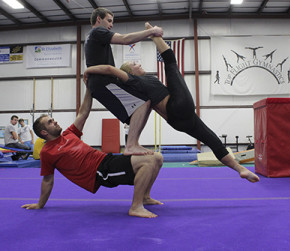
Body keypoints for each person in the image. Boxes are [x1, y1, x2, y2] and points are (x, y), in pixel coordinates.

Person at [83, 22, 260, 183]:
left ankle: (240, 169)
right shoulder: (132, 80)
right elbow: (109, 69)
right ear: (130, 71)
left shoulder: (146, 81)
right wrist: (88, 70)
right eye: (135, 63)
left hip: (178, 120)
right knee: (171, 63)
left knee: (211, 138)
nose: (138, 64)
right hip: (178, 106)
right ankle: (153, 36)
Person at [21, 87, 164, 218]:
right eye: (50, 122)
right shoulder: (47, 152)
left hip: (106, 160)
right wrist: (40, 204)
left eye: (53, 119)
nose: (55, 122)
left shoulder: (69, 134)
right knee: (149, 161)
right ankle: (136, 207)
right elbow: (48, 180)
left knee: (157, 157)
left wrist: (90, 88)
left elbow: (83, 113)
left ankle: (145, 197)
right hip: (99, 172)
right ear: (44, 132)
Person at [84, 7, 164, 156]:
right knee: (143, 102)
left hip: (101, 82)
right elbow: (125, 39)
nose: (111, 25)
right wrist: (151, 32)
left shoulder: (92, 37)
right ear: (98, 20)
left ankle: (133, 143)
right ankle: (131, 145)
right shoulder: (97, 32)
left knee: (143, 103)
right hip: (104, 83)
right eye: (109, 21)